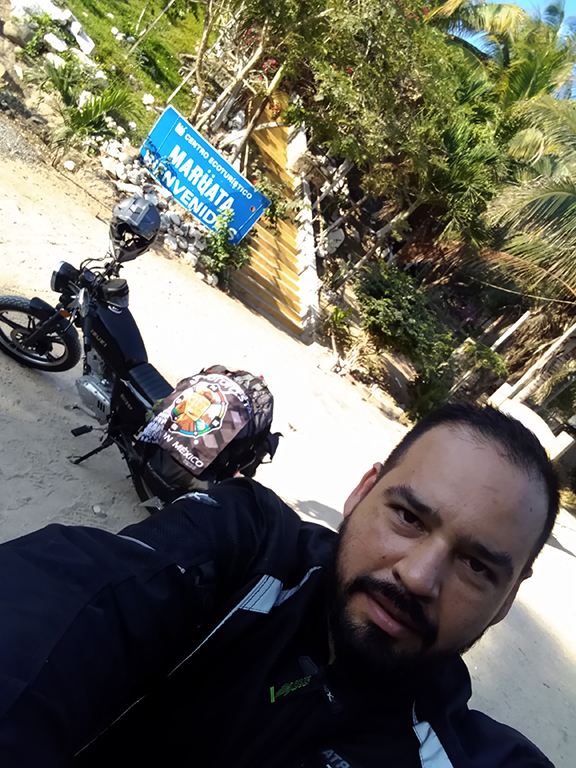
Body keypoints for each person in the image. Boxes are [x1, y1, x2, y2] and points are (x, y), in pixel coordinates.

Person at [0, 403, 559, 767]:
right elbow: (66, 598)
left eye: (476, 567)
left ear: (507, 599)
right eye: (409, 518)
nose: (417, 577)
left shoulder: (461, 756)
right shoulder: (249, 545)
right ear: (362, 493)